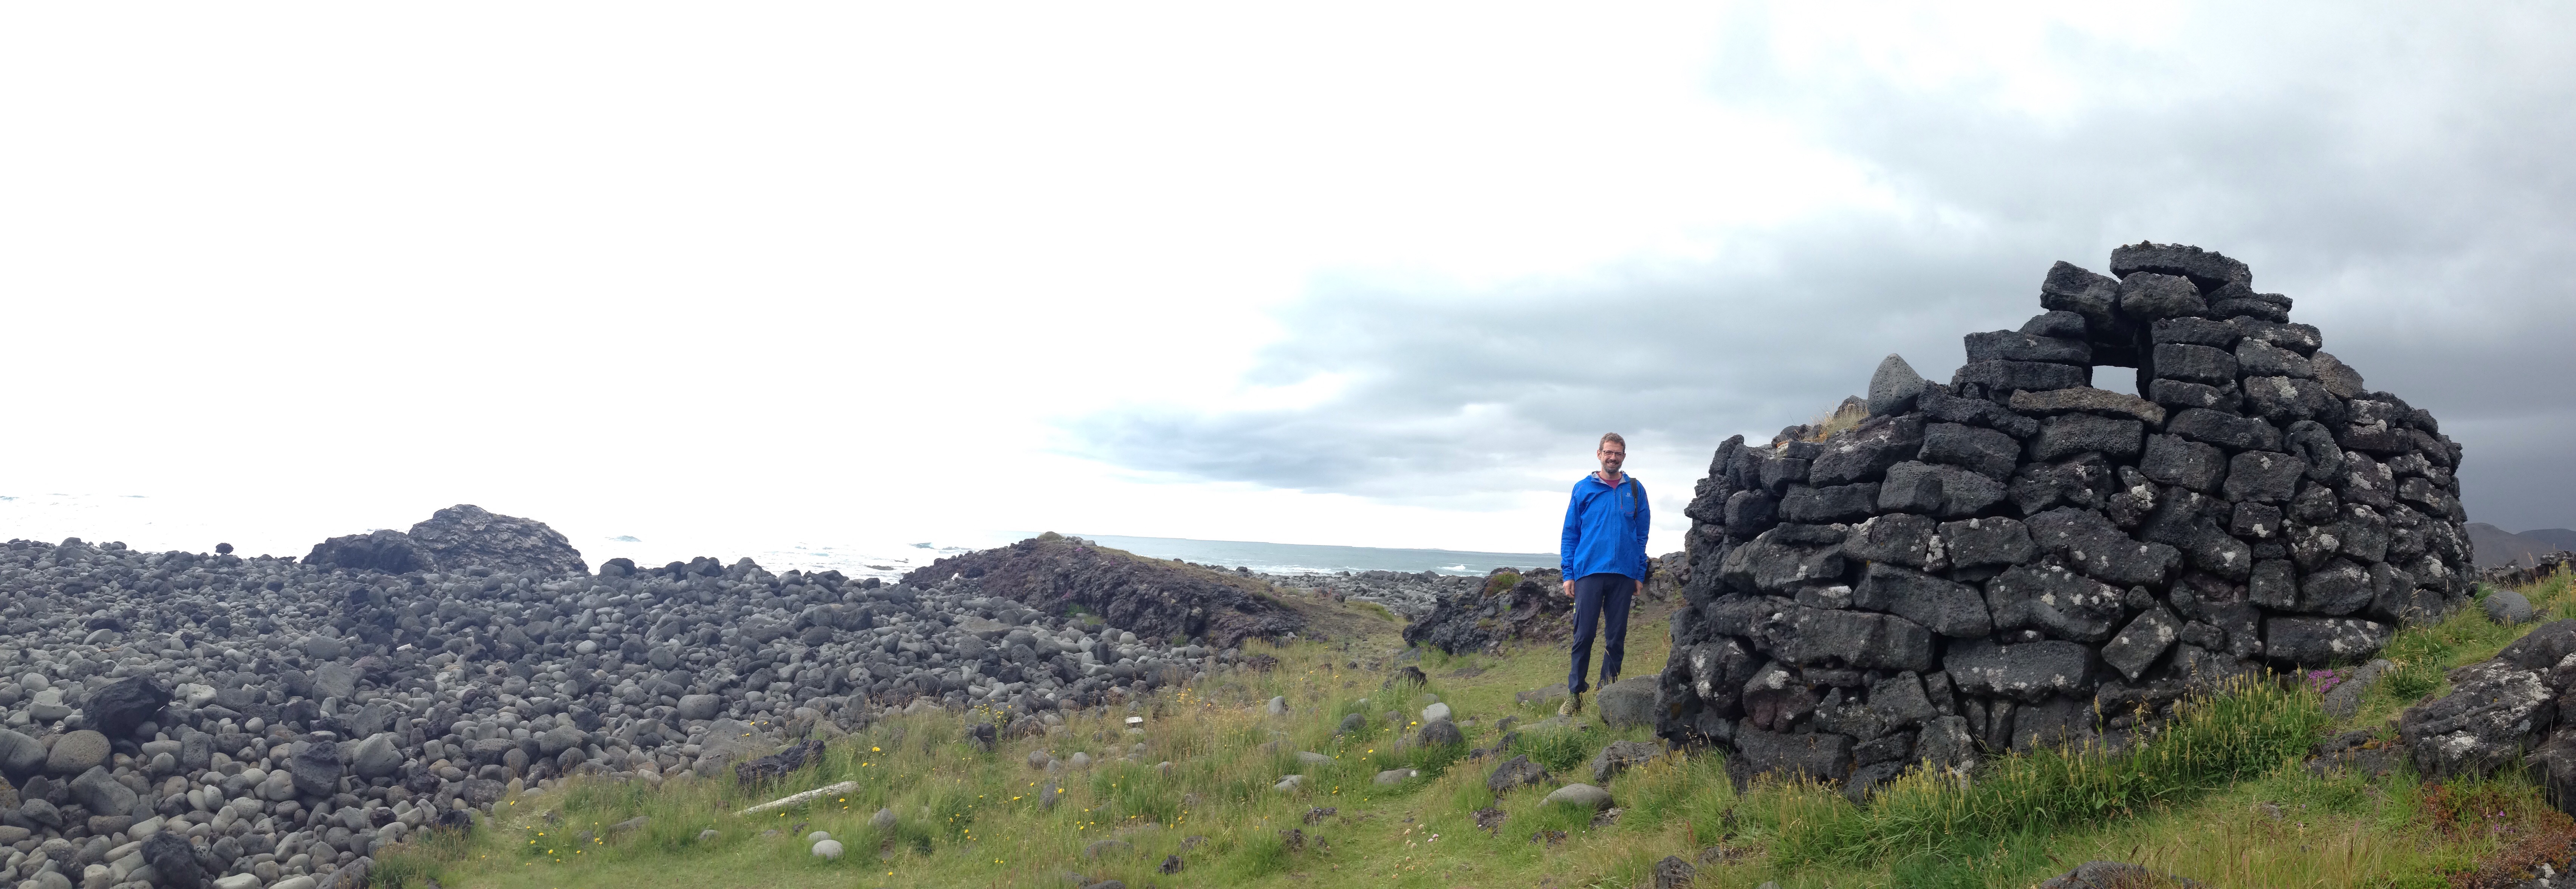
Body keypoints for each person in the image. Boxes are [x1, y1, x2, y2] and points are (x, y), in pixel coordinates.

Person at [1558, 432, 1649, 717]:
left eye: (1618, 453)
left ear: (1624, 457)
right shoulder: (1583, 488)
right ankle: (1575, 694)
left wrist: (1639, 573)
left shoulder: (1635, 489)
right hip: (1589, 572)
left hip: (1624, 574)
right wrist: (1568, 574)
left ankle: (1607, 694)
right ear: (1599, 454)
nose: (1613, 458)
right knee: (1583, 635)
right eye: (1608, 452)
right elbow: (1571, 533)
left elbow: (1642, 535)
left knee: (1616, 637)